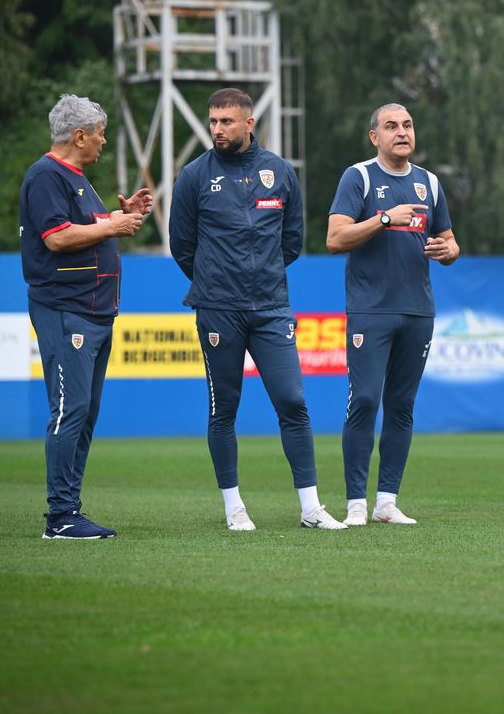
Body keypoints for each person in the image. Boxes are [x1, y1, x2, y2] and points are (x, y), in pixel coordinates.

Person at [169, 88, 345, 531]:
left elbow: (292, 241)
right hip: (217, 309)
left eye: (226, 121)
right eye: (213, 121)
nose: (217, 129)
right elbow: (182, 245)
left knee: (293, 402)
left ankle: (311, 509)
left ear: (249, 123)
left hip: (270, 307)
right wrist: (216, 279)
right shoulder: (193, 175)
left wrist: (259, 275)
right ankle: (234, 508)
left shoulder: (279, 172)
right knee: (224, 409)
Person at [19, 93, 152, 539]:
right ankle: (59, 516)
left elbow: (85, 229)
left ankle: (70, 508)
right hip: (66, 309)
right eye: (100, 134)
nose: (103, 141)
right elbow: (57, 238)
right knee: (69, 410)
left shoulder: (75, 179)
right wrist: (112, 226)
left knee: (84, 412)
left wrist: (120, 215)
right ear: (79, 136)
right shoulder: (46, 175)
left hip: (93, 311)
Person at [326, 103, 459, 526]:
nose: (401, 132)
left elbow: (450, 241)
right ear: (375, 137)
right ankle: (355, 504)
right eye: (391, 126)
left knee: (402, 405)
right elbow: (335, 238)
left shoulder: (429, 182)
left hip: (418, 310)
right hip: (371, 309)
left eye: (407, 125)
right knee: (365, 400)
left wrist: (448, 250)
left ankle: (386, 502)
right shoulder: (359, 177)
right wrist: (383, 218)